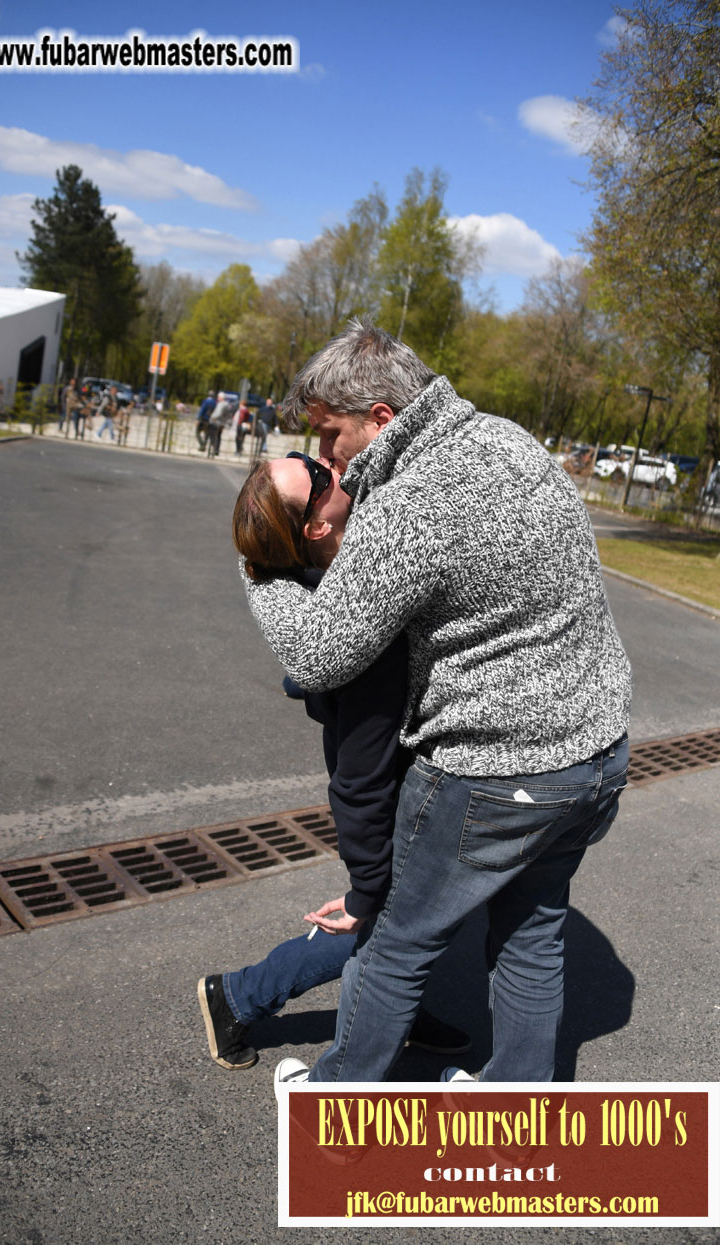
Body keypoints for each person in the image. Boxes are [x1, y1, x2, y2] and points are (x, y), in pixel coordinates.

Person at [240, 317, 631, 1087]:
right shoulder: (507, 439)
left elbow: (319, 653)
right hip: (597, 757)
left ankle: (336, 1103)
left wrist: (259, 569)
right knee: (530, 933)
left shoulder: (410, 502)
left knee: (393, 943)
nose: (325, 457)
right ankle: (519, 1101)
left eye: (329, 436)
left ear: (380, 420)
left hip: (497, 771)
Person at [197, 451, 470, 1070]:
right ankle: (239, 996)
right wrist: (365, 888)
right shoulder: (356, 625)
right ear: (317, 527)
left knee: (415, 925)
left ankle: (393, 1006)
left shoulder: (350, 566)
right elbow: (359, 778)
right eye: (314, 473)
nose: (323, 460)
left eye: (303, 452)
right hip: (401, 794)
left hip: (414, 780)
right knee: (388, 924)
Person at [206, 392, 232, 457]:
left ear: (220, 397)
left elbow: (218, 413)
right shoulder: (227, 405)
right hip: (223, 423)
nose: (217, 398)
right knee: (218, 436)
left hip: (217, 422)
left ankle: (214, 448)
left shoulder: (221, 404)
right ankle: (216, 450)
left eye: (218, 397)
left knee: (213, 434)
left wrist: (212, 417)